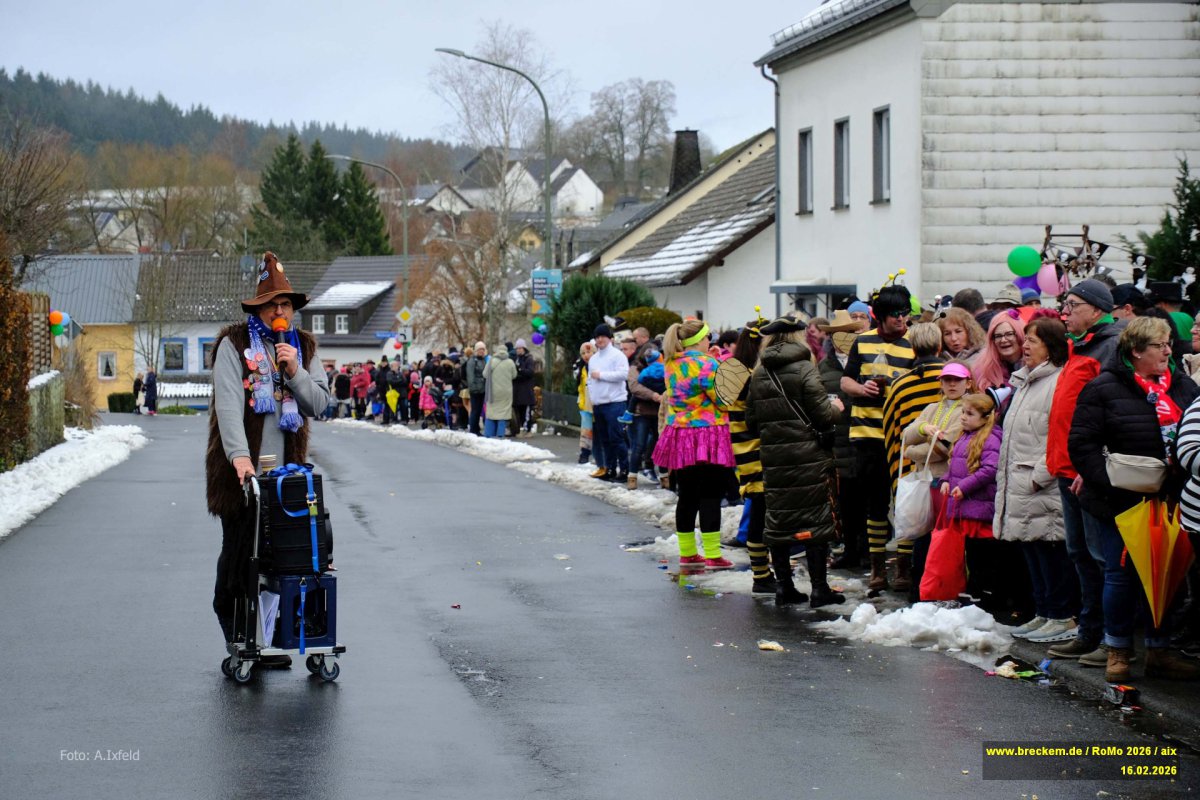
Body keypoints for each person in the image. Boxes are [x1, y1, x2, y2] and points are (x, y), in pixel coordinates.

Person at [205, 252, 330, 668]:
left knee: (285, 562)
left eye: (286, 304)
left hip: (286, 479)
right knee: (241, 558)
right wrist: (240, 459)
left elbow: (321, 405)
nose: (279, 310)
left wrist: (295, 371)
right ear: (257, 307)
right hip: (242, 475)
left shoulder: (304, 347)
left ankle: (277, 636)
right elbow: (228, 407)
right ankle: (239, 637)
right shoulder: (233, 345)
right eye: (272, 303)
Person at [1069, 316, 1200, 681]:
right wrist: (1109, 482)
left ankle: (1160, 651)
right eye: (1160, 345)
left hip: (1172, 499)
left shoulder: (1183, 387)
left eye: (1169, 344)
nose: (1169, 351)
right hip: (1121, 501)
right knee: (1121, 576)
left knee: (1167, 574)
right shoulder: (1103, 388)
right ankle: (1118, 652)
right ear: (1136, 350)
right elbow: (1082, 445)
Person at [1044, 279, 1126, 664]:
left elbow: (1110, 413)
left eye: (1073, 305)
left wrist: (1092, 465)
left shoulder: (1109, 346)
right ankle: (1089, 631)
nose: (1065, 312)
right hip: (1065, 467)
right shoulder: (1081, 345)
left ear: (1096, 309)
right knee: (1079, 553)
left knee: (1100, 556)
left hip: (1088, 473)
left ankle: (1113, 640)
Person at [745, 315, 844, 607]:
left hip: (774, 459)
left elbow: (752, 422)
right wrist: (836, 407)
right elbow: (822, 415)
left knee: (779, 521)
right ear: (798, 338)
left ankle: (784, 588)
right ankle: (819, 589)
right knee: (815, 521)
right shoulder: (804, 368)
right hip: (808, 457)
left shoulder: (759, 373)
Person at [994, 316, 1077, 643]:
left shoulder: (1058, 382)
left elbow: (1062, 434)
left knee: (1051, 550)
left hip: (1041, 484)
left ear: (1051, 347)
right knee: (1032, 548)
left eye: (1033, 341)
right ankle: (1044, 611)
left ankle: (1060, 615)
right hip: (1021, 481)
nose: (1024, 345)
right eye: (1025, 339)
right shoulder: (1025, 380)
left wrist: (1040, 475)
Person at [840, 285, 916, 591]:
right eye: (896, 314)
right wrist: (862, 389)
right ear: (880, 316)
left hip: (902, 435)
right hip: (867, 434)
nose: (902, 319)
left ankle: (903, 567)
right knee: (875, 503)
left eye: (905, 313)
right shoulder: (863, 341)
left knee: (905, 504)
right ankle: (876, 568)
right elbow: (846, 380)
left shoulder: (914, 343)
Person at [652, 318, 735, 569]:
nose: (711, 341)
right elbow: (723, 400)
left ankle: (687, 552)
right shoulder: (707, 364)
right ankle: (712, 554)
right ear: (700, 340)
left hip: (679, 434)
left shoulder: (670, 363)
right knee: (711, 494)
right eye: (708, 337)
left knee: (686, 495)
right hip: (709, 434)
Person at [880, 322, 946, 593]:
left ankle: (908, 576)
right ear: (940, 346)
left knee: (914, 522)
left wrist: (897, 462)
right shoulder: (955, 376)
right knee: (942, 528)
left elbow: (891, 430)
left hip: (910, 464)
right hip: (947, 466)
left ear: (912, 347)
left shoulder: (900, 385)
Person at [923, 394, 1003, 605]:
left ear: (986, 418)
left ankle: (985, 593)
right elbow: (954, 466)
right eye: (963, 412)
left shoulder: (991, 438)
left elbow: (990, 469)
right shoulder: (964, 436)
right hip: (965, 506)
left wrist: (964, 487)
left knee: (982, 553)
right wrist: (946, 481)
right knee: (970, 551)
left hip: (980, 506)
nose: (964, 418)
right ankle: (973, 589)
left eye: (970, 414)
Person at [717, 316, 775, 592]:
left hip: (744, 448)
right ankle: (761, 576)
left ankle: (761, 573)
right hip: (755, 449)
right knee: (761, 512)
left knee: (759, 509)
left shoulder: (735, 370)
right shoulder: (748, 376)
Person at [818, 311, 864, 570]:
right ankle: (851, 549)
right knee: (845, 500)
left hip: (866, 436)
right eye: (839, 334)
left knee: (868, 500)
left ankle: (868, 548)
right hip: (839, 441)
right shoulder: (823, 368)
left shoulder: (867, 360)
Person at [588, 324, 630, 483]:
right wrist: (592, 399)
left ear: (609, 338)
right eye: (597, 337)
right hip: (599, 404)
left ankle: (624, 469)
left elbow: (624, 374)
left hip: (615, 402)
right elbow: (591, 381)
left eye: (603, 336)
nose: (600, 339)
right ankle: (610, 468)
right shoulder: (593, 358)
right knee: (605, 439)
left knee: (617, 438)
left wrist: (602, 375)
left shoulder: (617, 355)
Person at [626, 346, 664, 489]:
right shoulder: (635, 369)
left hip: (658, 413)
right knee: (639, 445)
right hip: (641, 413)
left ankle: (664, 477)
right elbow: (635, 388)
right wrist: (655, 396)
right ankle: (632, 476)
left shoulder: (661, 367)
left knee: (661, 446)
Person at [972, 310, 1026, 394]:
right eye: (998, 336)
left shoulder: (1032, 367)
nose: (1003, 340)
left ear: (1020, 335)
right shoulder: (982, 371)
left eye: (1009, 334)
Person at [483, 344, 517, 438]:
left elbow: (485, 374)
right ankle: (500, 434)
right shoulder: (510, 362)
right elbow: (514, 375)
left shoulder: (491, 361)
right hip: (506, 392)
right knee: (503, 413)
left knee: (491, 412)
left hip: (493, 392)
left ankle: (489, 433)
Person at [575, 341, 597, 464]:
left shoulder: (598, 367)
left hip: (598, 404)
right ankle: (585, 454)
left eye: (588, 352)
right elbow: (581, 389)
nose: (586, 355)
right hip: (586, 406)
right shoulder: (582, 369)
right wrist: (582, 403)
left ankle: (597, 454)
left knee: (598, 431)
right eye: (583, 353)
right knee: (586, 432)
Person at [511, 338, 536, 437]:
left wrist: (520, 371)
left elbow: (530, 372)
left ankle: (528, 429)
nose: (518, 350)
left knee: (526, 412)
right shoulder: (516, 359)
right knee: (519, 411)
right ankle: (521, 428)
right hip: (517, 390)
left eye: (520, 348)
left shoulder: (529, 359)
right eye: (517, 348)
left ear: (524, 348)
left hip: (526, 390)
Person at [464, 341, 488, 435]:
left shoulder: (483, 360)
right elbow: (470, 376)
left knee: (479, 411)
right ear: (476, 350)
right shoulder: (472, 361)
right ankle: (473, 430)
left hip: (482, 390)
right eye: (480, 349)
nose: (481, 351)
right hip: (475, 390)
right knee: (475, 410)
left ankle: (476, 429)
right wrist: (473, 388)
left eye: (483, 349)